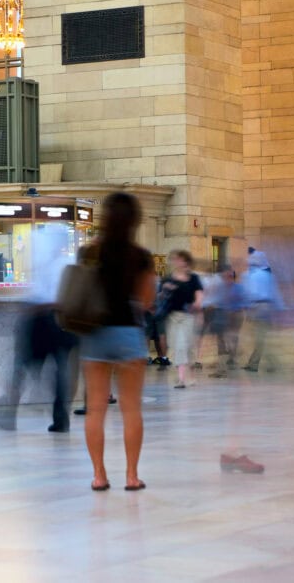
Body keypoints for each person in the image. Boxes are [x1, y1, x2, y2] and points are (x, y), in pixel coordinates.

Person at [76, 192, 156, 492]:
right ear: (134, 220)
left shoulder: (88, 252)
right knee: (131, 409)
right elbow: (147, 301)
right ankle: (132, 476)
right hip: (127, 334)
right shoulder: (140, 256)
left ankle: (99, 475)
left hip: (94, 334)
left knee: (96, 409)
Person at [0, 224, 77, 432]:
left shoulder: (57, 264)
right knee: (57, 372)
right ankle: (60, 419)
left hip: (44, 321)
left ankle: (9, 417)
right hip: (56, 323)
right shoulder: (62, 263)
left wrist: (33, 309)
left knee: (21, 370)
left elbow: (56, 298)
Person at [159, 250, 203, 389]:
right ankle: (182, 378)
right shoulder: (167, 279)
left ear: (186, 261)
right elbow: (160, 297)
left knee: (185, 346)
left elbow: (199, 295)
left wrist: (197, 304)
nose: (178, 262)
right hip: (172, 317)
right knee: (178, 346)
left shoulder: (193, 278)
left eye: (181, 259)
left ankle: (185, 377)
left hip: (187, 316)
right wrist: (165, 291)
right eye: (175, 259)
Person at [242, 250, 284, 372]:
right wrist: (280, 309)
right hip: (266, 308)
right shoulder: (268, 275)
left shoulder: (250, 275)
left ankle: (271, 363)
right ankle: (253, 363)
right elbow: (276, 294)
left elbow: (249, 294)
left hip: (256, 308)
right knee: (260, 337)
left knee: (259, 339)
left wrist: (247, 309)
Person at [206, 266, 245, 379]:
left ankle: (224, 366)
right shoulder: (233, 287)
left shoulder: (225, 288)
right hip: (231, 315)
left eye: (226, 276)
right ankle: (230, 359)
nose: (225, 278)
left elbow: (215, 301)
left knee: (224, 340)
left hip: (229, 315)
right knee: (228, 339)